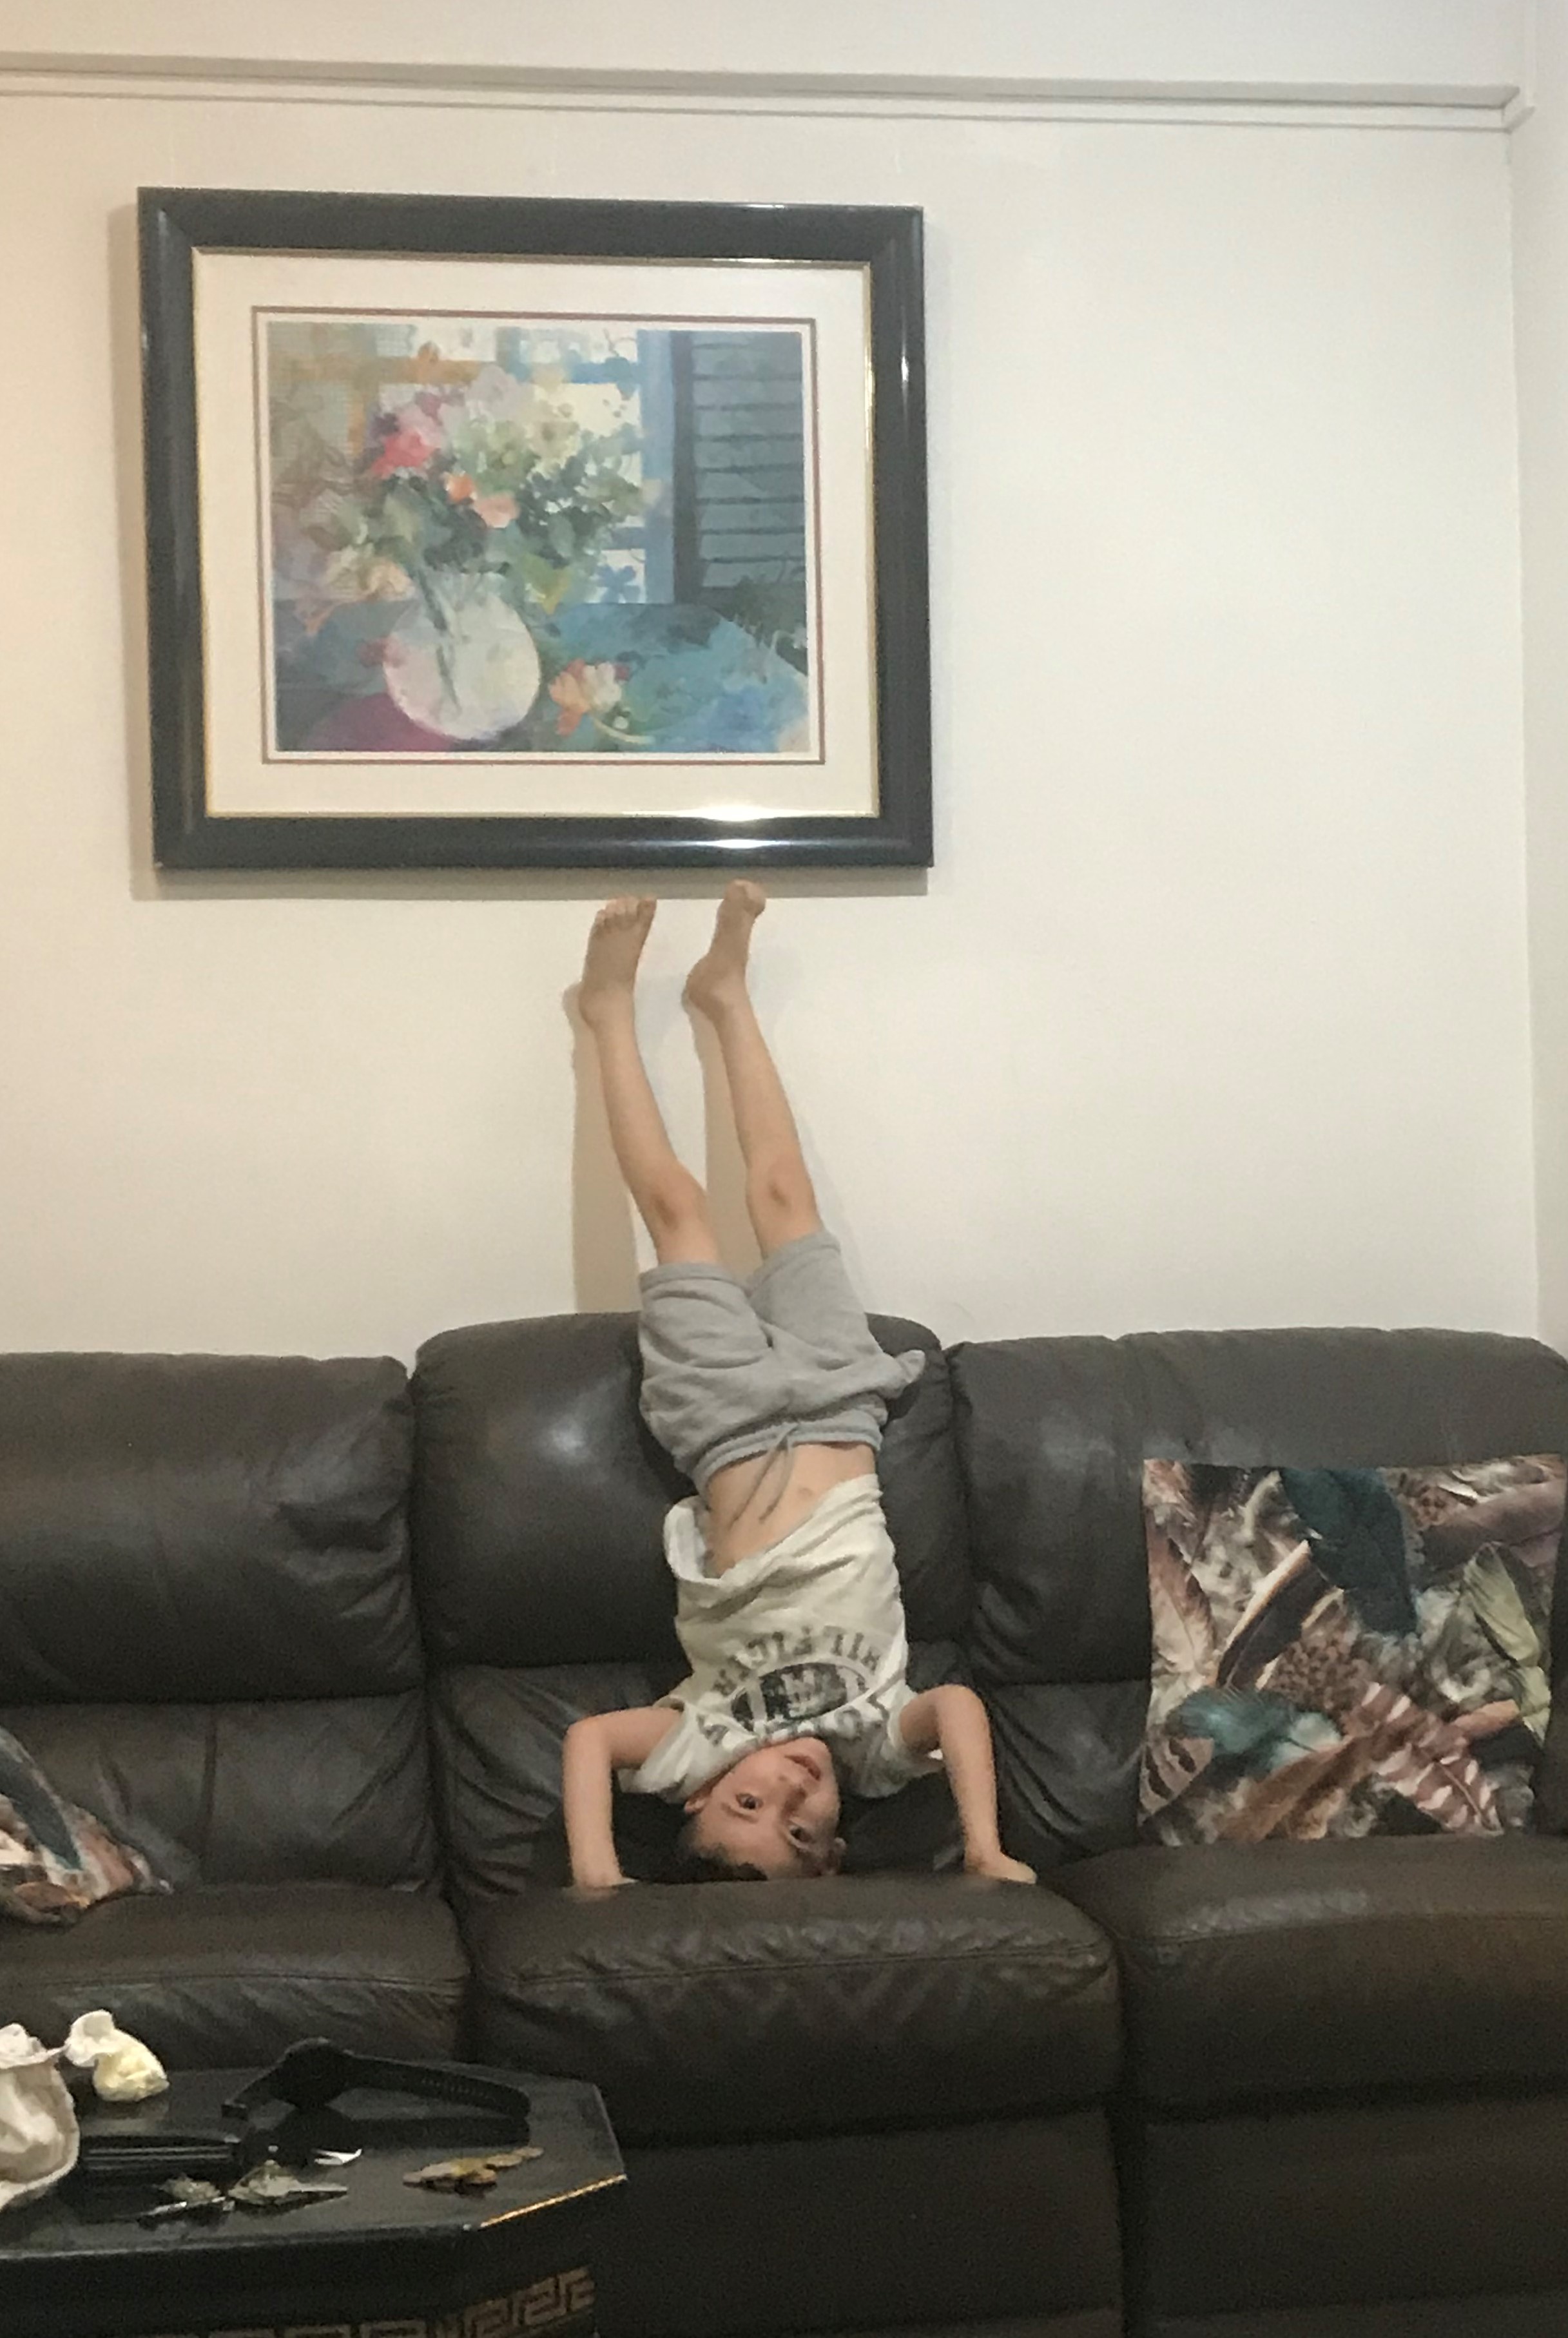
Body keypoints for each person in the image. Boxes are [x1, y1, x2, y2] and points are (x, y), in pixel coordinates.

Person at [561, 883, 1036, 1888]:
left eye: (749, 1806)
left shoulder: (695, 1742)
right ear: (835, 1856)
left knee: (678, 1211)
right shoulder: (872, 1747)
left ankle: (606, 1013)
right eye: (805, 1830)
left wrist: (599, 1878)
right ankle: (725, 996)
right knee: (783, 1195)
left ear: (697, 1795)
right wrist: (983, 1846)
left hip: (725, 1420)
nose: (789, 1791)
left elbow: (592, 1742)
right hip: (839, 1403)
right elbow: (956, 1707)